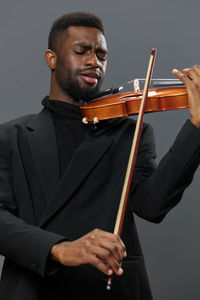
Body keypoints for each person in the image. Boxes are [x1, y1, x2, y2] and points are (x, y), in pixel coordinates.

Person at [0, 11, 200, 300]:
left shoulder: (129, 133)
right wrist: (59, 248)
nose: (94, 61)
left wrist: (195, 128)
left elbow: (153, 205)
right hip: (36, 288)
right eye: (81, 51)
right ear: (51, 59)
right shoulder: (10, 137)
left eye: (101, 54)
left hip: (110, 288)